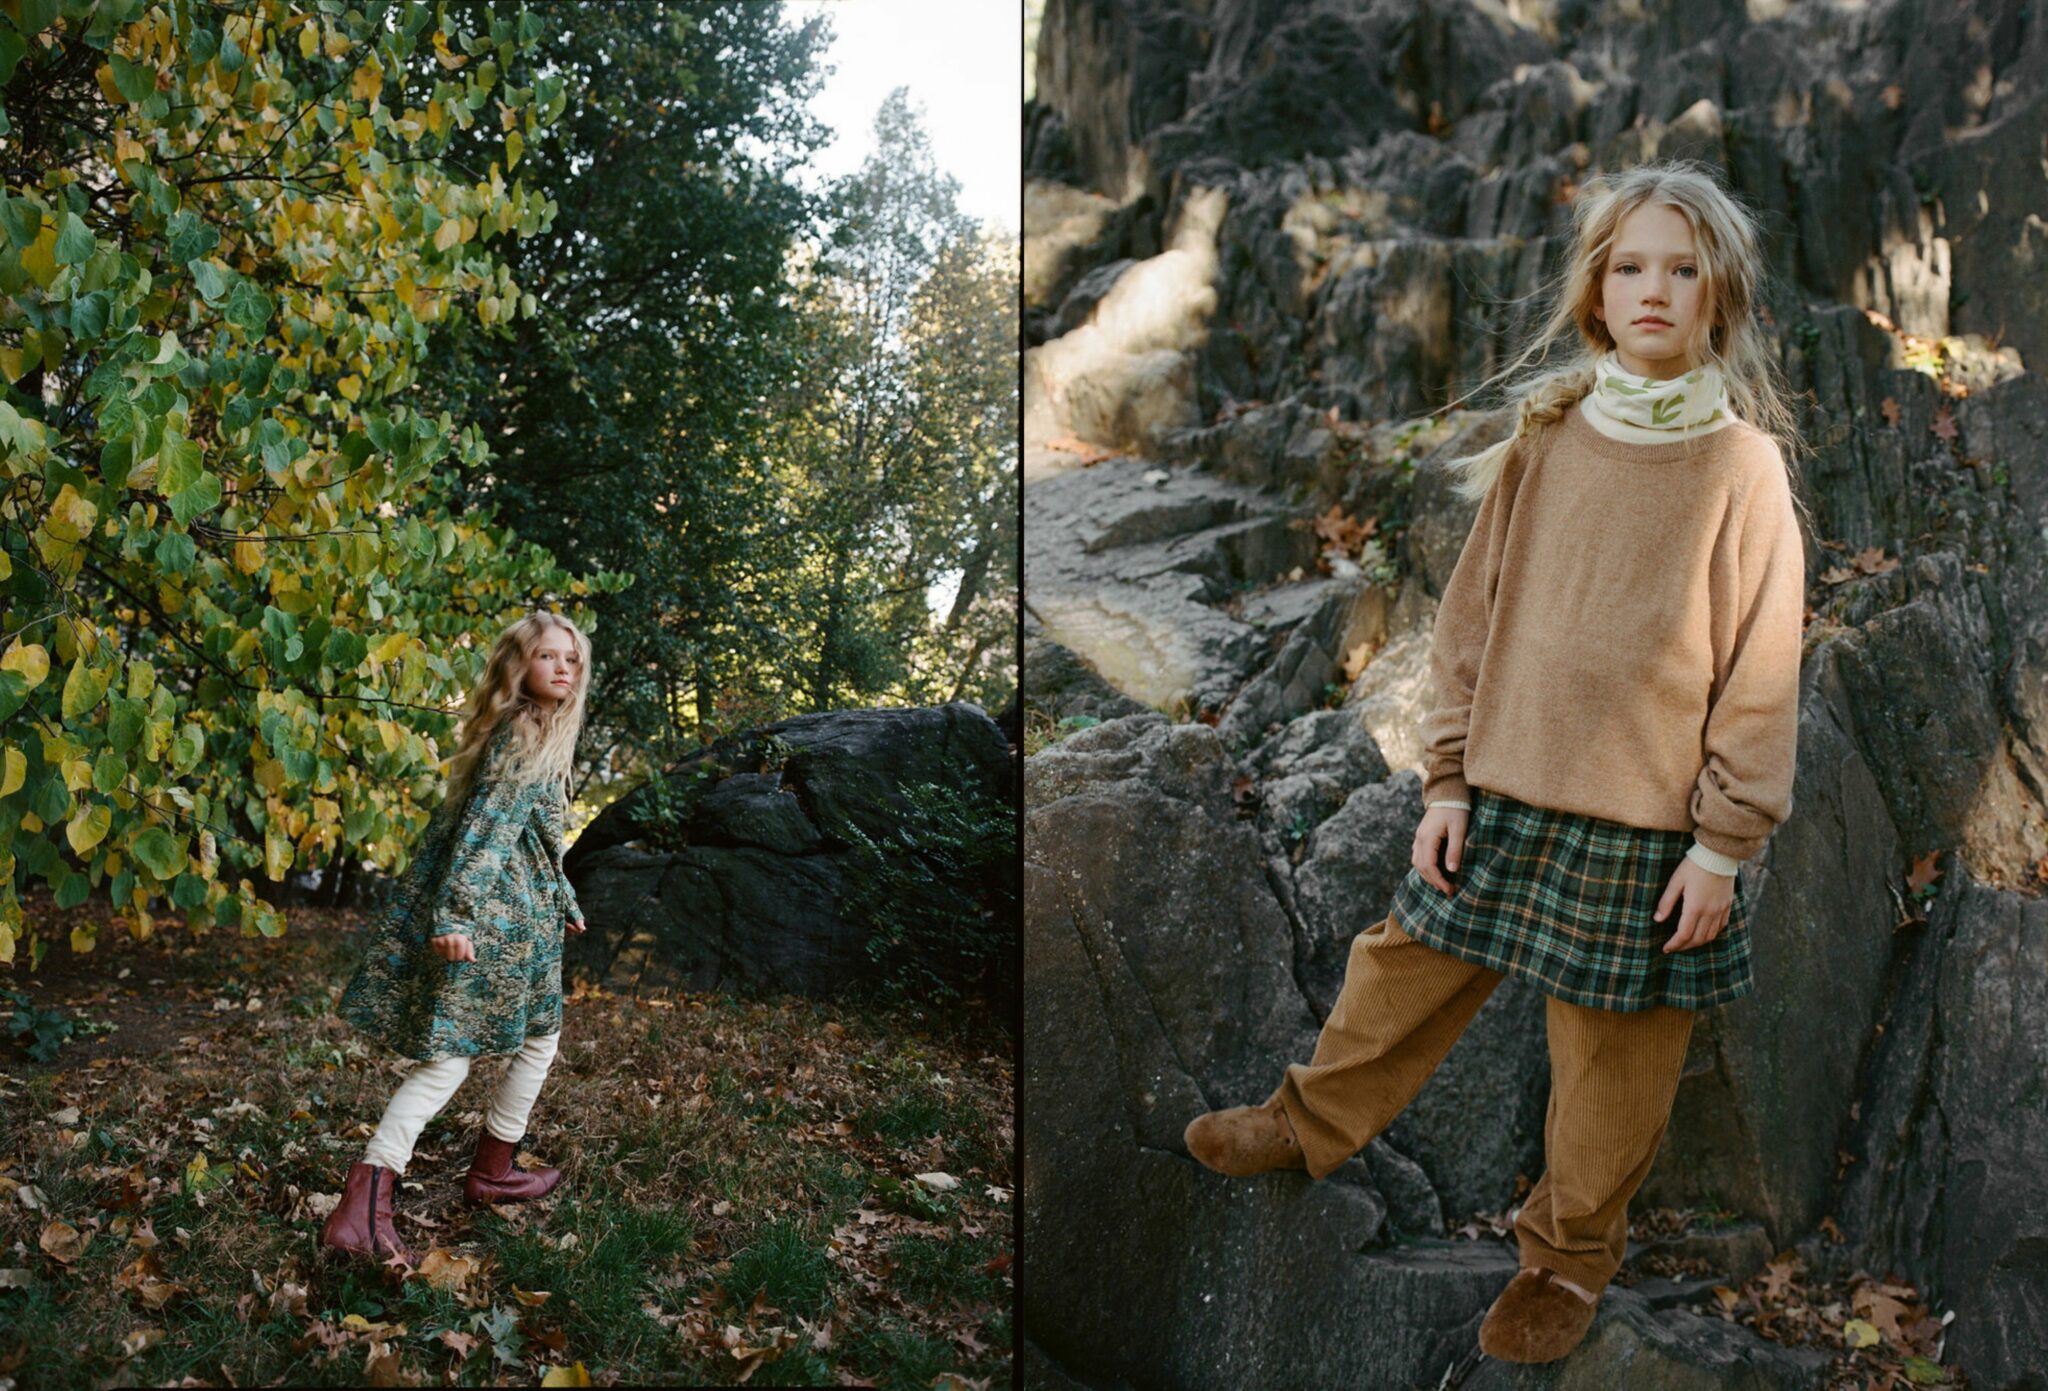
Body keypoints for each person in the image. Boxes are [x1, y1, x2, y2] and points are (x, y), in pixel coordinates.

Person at [1183, 159, 1811, 1365]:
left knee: (1613, 1060)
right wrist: (1447, 778)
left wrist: (1724, 844)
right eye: (1629, 265)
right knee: (1398, 964)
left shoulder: (1741, 469)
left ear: (1717, 299)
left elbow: (1760, 668)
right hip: (1507, 789)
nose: (1652, 290)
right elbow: (1468, 619)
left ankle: (1566, 1261)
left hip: (1645, 821)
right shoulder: (1548, 435)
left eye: (1682, 272)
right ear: (1593, 289)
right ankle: (1306, 1119)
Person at [321, 612, 593, 1270]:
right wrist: (455, 916)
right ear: (517, 666)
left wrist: (565, 898)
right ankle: (363, 1204)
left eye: (573, 659)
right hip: (490, 922)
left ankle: (495, 1166)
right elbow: (483, 835)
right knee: (451, 1057)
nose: (563, 668)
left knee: (537, 1037)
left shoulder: (538, 733)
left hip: (520, 920)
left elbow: (531, 837)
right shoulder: (523, 732)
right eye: (548, 656)